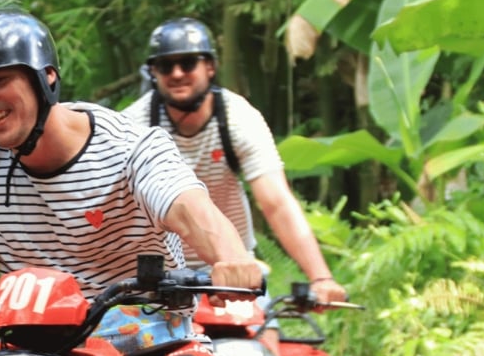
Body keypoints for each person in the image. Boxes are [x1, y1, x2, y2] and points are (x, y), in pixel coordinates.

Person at [0, 10, 266, 356]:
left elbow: (191, 212)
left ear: (47, 79)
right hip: (30, 354)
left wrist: (231, 258)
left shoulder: (131, 145)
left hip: (153, 344)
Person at [122, 17, 347, 305]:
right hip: (159, 274)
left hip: (233, 265)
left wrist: (321, 278)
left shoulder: (238, 117)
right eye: (166, 66)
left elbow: (276, 202)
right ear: (153, 72)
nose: (177, 73)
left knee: (261, 340)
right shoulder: (134, 125)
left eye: (188, 63)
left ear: (210, 67)